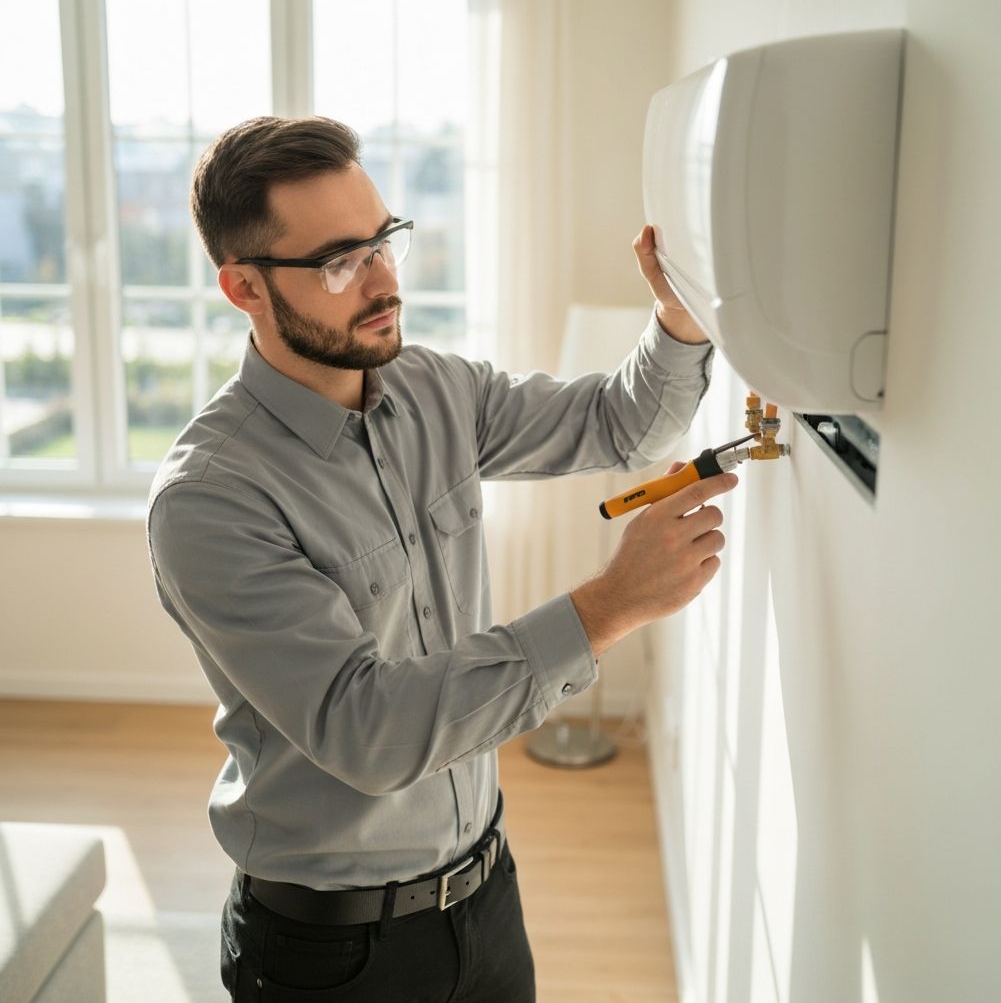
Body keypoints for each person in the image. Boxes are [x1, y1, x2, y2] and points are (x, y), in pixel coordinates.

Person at [146, 115, 738, 1003]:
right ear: (245, 290)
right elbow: (369, 731)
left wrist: (679, 316)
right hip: (330, 957)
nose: (384, 282)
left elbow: (622, 424)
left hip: (485, 893)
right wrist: (610, 605)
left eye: (385, 241)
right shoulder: (212, 498)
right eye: (341, 262)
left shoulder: (432, 389)